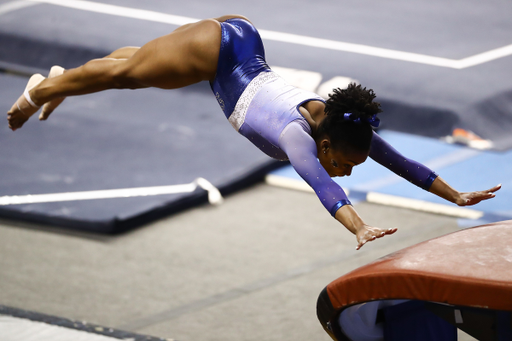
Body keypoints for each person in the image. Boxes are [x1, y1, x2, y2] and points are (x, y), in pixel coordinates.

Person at [6, 15, 500, 250]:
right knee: (126, 72)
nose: (347, 169)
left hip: (236, 45)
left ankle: (55, 82)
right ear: (324, 145)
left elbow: (402, 163)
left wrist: (454, 196)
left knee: (129, 65)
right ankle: (38, 94)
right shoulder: (296, 137)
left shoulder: (345, 126)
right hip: (217, 52)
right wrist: (359, 226)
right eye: (347, 163)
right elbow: (323, 186)